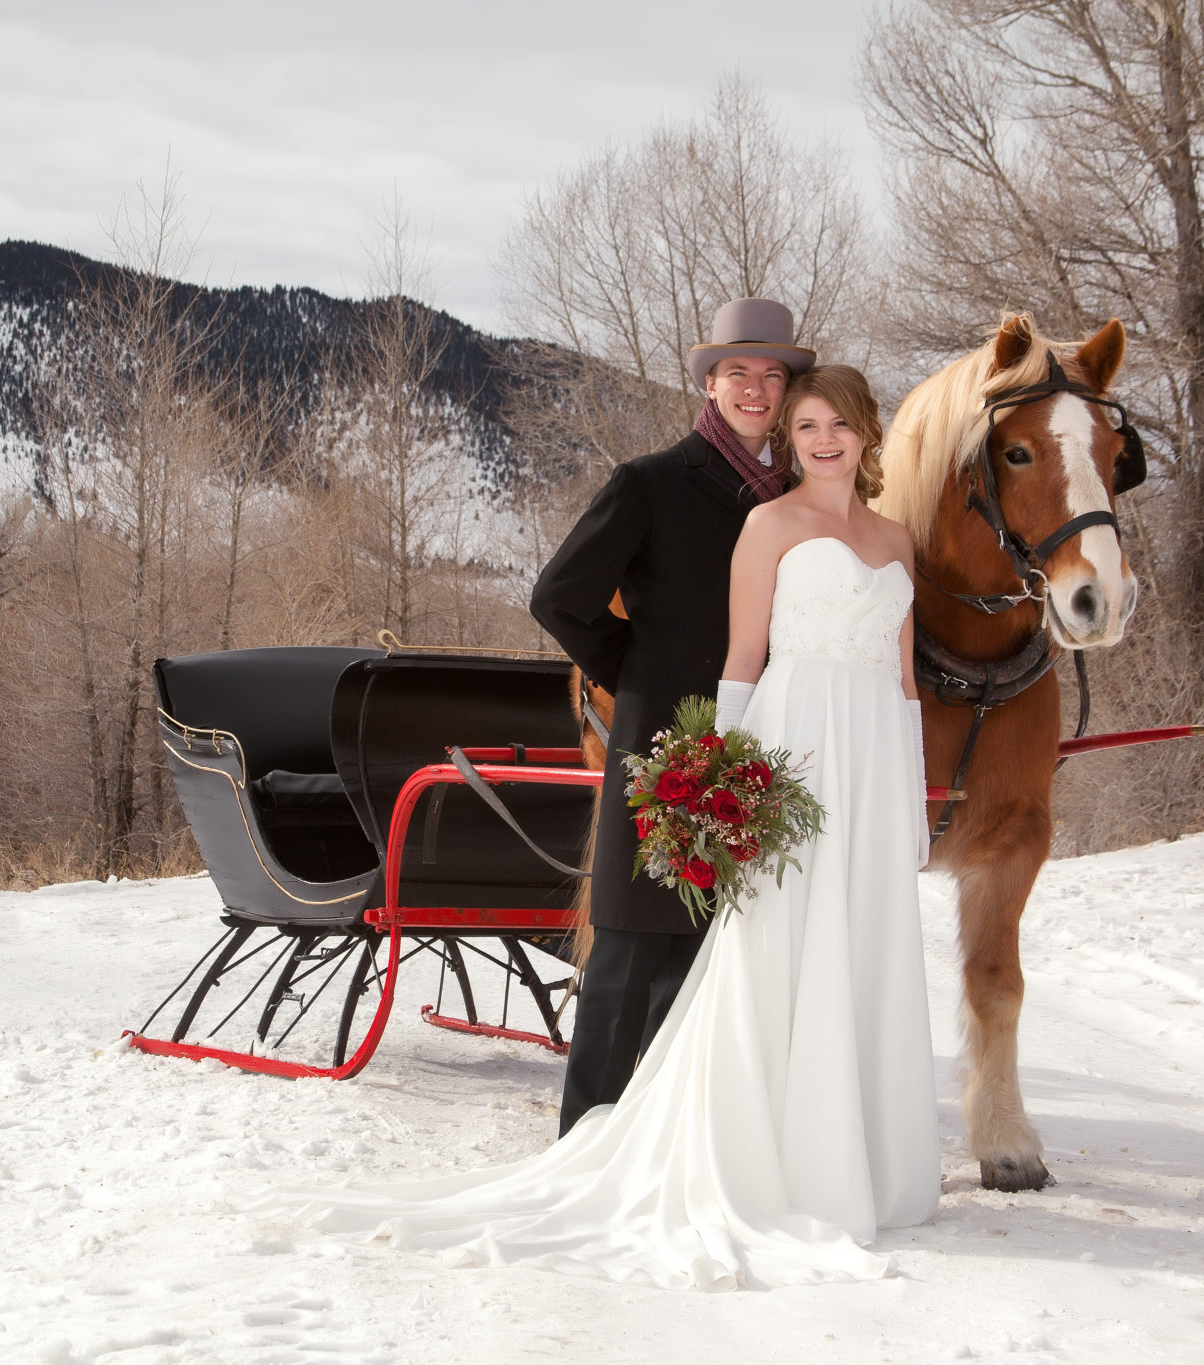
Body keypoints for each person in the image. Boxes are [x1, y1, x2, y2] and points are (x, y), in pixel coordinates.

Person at [270, 363, 941, 1290]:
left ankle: (859, 1150)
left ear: (869, 433)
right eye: (808, 421)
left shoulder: (895, 539)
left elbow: (905, 682)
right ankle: (640, 1133)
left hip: (865, 764)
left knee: (849, 949)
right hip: (769, 743)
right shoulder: (746, 516)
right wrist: (705, 755)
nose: (824, 437)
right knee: (682, 947)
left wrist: (910, 799)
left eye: (841, 422)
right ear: (772, 421)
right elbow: (733, 656)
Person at [529, 297, 814, 1137]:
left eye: (773, 375)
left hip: (767, 751)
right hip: (662, 750)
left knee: (708, 957)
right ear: (711, 382)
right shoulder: (649, 483)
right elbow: (558, 597)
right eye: (740, 373)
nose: (757, 390)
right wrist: (638, 671)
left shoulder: (802, 499)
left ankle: (669, 1143)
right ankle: (586, 1141)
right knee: (627, 947)